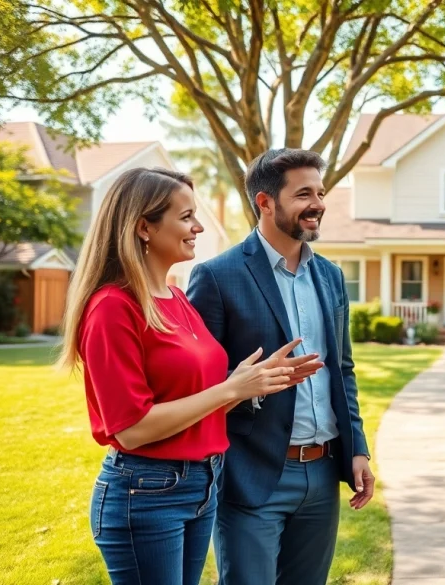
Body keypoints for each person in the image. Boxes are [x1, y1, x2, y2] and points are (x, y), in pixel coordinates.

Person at [58, 167, 321, 585]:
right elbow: (131, 429)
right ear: (144, 226)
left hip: (203, 484)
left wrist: (256, 381)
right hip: (146, 493)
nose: (198, 226)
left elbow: (200, 401)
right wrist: (230, 388)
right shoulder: (112, 307)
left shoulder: (176, 299)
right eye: (185, 217)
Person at [187, 148, 373, 585]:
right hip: (253, 476)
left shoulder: (330, 276)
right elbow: (197, 387)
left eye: (321, 192)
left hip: (324, 472)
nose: (319, 204)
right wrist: (249, 386)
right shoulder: (216, 276)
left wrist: (357, 449)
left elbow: (342, 369)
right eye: (303, 193)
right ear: (265, 202)